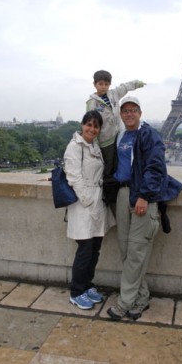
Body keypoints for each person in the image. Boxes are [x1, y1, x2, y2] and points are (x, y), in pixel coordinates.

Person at [107, 96, 182, 321]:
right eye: (125, 111)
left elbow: (156, 168)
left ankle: (124, 303)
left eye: (133, 110)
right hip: (123, 195)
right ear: (121, 114)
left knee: (136, 252)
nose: (129, 114)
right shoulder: (121, 135)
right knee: (126, 250)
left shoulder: (149, 134)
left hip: (141, 196)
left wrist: (144, 195)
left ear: (140, 112)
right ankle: (141, 299)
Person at [64, 110, 115, 310]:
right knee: (85, 251)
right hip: (84, 205)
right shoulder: (74, 147)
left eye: (96, 126)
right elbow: (74, 178)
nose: (92, 129)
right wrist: (87, 201)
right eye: (89, 125)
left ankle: (86, 286)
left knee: (94, 250)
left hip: (97, 204)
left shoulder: (93, 146)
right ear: (82, 124)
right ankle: (76, 292)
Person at [86, 70, 146, 183]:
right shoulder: (92, 103)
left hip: (119, 136)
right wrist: (95, 144)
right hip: (105, 141)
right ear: (94, 84)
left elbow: (124, 87)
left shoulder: (113, 94)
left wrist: (137, 83)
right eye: (101, 84)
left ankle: (120, 185)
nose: (104, 87)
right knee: (108, 167)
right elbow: (91, 124)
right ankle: (109, 193)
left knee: (120, 163)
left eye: (106, 84)